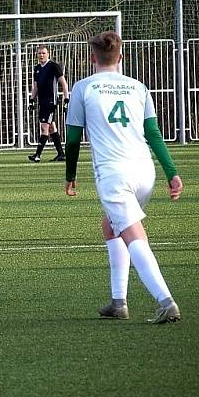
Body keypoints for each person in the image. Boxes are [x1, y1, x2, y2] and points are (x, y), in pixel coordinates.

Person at [65, 30, 182, 324]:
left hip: (114, 173)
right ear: (121, 57)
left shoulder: (84, 87)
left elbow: (73, 138)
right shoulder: (138, 87)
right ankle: (119, 302)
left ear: (93, 58)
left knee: (133, 234)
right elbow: (153, 133)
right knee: (111, 226)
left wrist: (70, 176)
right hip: (145, 170)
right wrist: (172, 173)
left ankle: (165, 300)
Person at [28, 45, 69, 162]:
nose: (41, 55)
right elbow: (35, 86)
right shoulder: (37, 68)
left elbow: (63, 83)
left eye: (43, 53)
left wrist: (66, 99)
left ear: (48, 54)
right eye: (39, 53)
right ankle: (61, 154)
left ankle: (37, 155)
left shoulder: (53, 66)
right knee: (52, 128)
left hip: (51, 101)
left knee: (44, 127)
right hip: (42, 101)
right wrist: (31, 100)